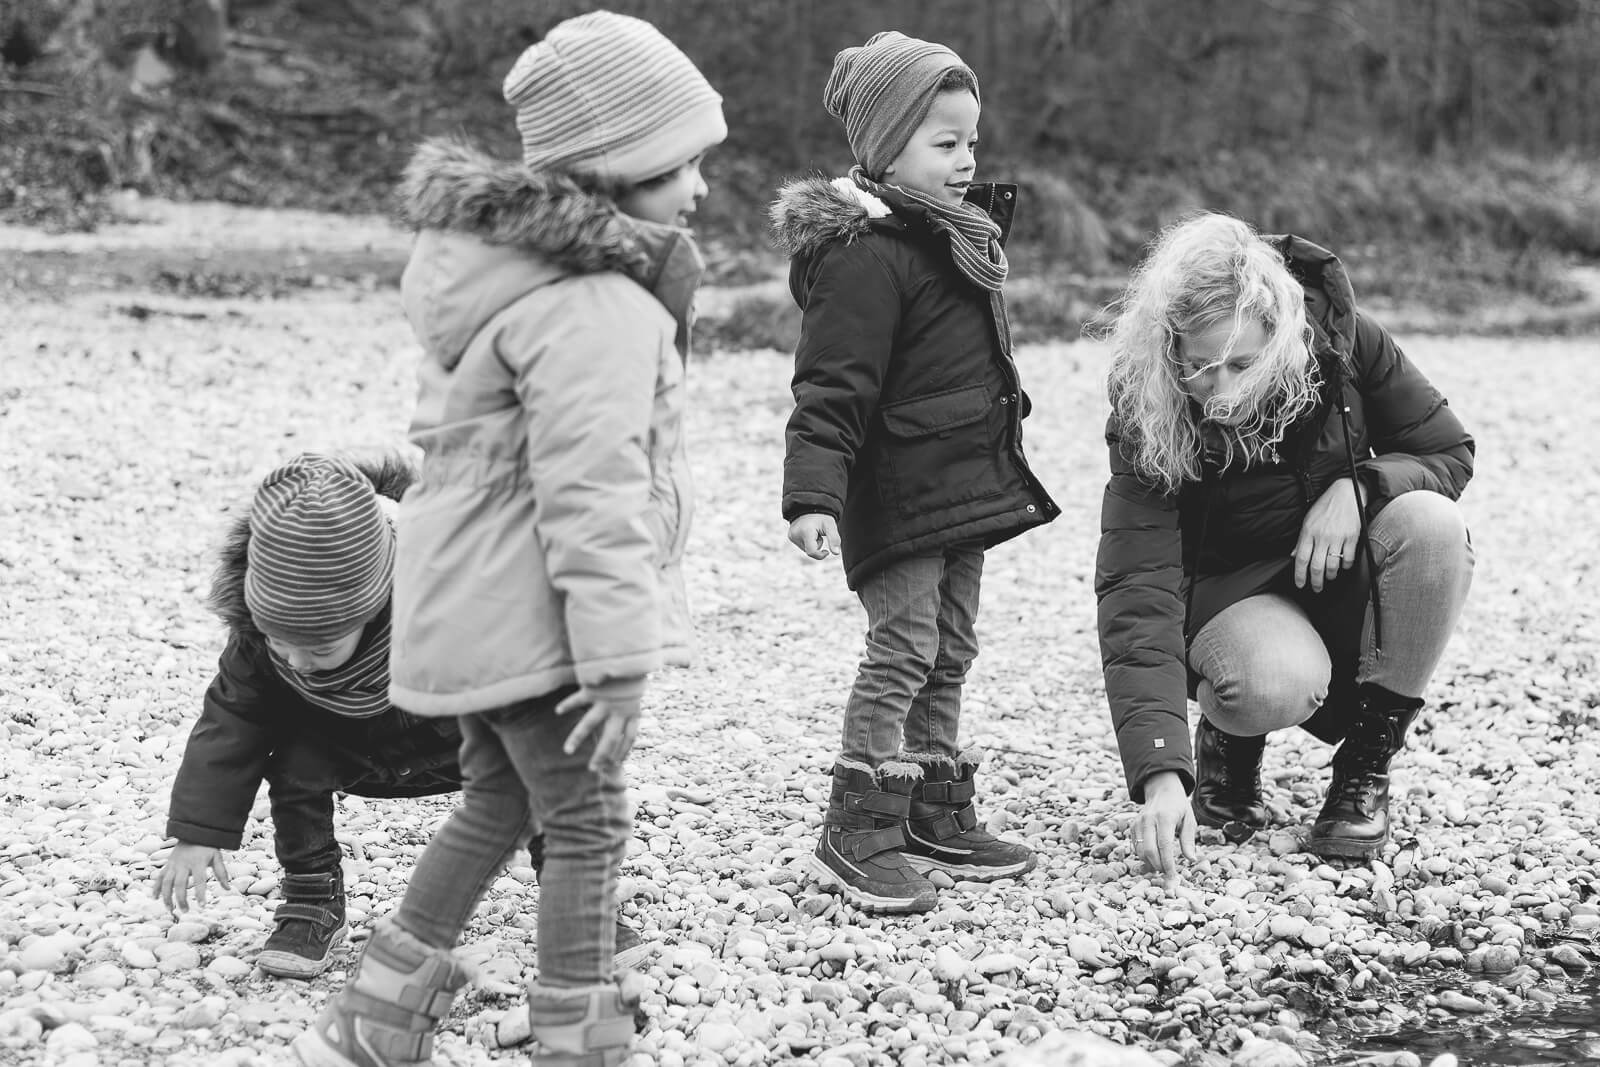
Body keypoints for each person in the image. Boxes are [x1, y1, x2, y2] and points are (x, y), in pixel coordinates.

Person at [291, 11, 724, 1067]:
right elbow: (593, 492)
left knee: (498, 799)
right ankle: (580, 1036)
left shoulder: (504, 279)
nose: (702, 189)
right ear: (612, 168)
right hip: (537, 619)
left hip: (470, 610)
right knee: (585, 819)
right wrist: (616, 655)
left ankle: (380, 1011)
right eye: (681, 165)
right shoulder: (591, 308)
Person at [154, 454, 648, 981]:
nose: (296, 660)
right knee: (291, 757)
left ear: (371, 605)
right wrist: (198, 831)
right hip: (348, 750)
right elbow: (230, 720)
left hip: (458, 739)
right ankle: (311, 897)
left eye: (319, 648)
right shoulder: (260, 638)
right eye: (281, 641)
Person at [1093, 211, 1475, 886]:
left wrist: (1361, 487)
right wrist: (1158, 771)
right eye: (1200, 366)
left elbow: (1447, 449)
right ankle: (1229, 738)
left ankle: (1364, 766)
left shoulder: (1345, 344)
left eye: (1243, 363)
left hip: (1331, 574)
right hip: (1226, 595)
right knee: (1271, 683)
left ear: (1282, 335)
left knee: (1432, 524)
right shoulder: (1147, 400)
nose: (1223, 388)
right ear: (1171, 348)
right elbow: (1135, 583)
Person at [771, 31, 1058, 916]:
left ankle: (932, 801)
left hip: (962, 484)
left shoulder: (952, 235)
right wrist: (815, 493)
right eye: (946, 144)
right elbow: (831, 387)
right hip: (896, 491)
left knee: (953, 647)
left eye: (972, 141)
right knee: (903, 646)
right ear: (885, 145)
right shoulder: (864, 255)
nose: (968, 160)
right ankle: (857, 819)